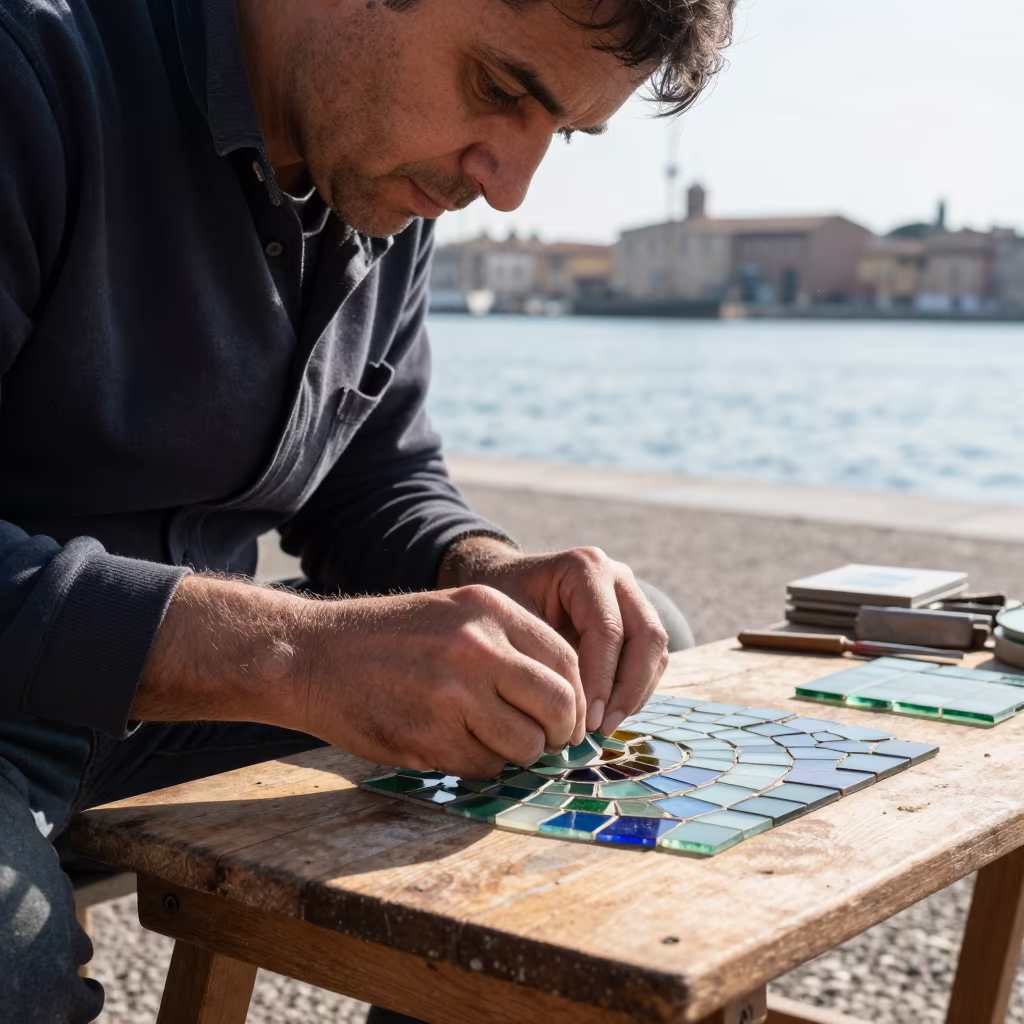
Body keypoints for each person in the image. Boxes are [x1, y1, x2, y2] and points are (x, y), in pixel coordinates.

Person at [0, 0, 735, 1018]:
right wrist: (295, 654)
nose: (510, 186)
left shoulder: (382, 168)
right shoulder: (31, 68)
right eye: (497, 89)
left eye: (560, 132)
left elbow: (371, 476)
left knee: (588, 656)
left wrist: (484, 571)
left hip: (158, 715)